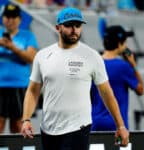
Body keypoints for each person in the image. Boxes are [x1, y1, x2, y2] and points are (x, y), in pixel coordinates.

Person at [21, 7, 129, 150]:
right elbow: (32, 91)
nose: (74, 29)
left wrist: (120, 125)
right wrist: (26, 119)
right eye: (69, 25)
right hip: (48, 129)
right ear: (58, 27)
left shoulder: (92, 56)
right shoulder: (42, 56)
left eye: (78, 26)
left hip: (78, 127)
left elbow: (107, 93)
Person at [91, 25, 144, 131]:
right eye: (125, 42)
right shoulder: (123, 66)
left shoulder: (93, 64)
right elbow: (140, 90)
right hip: (117, 127)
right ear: (120, 44)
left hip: (95, 124)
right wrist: (133, 65)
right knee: (117, 147)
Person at [0, 4, 38, 133]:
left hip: (20, 86)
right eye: (7, 16)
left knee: (17, 127)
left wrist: (12, 47)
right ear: (3, 18)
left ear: (19, 19)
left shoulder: (28, 36)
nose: (10, 20)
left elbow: (31, 58)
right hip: (0, 86)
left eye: (13, 17)